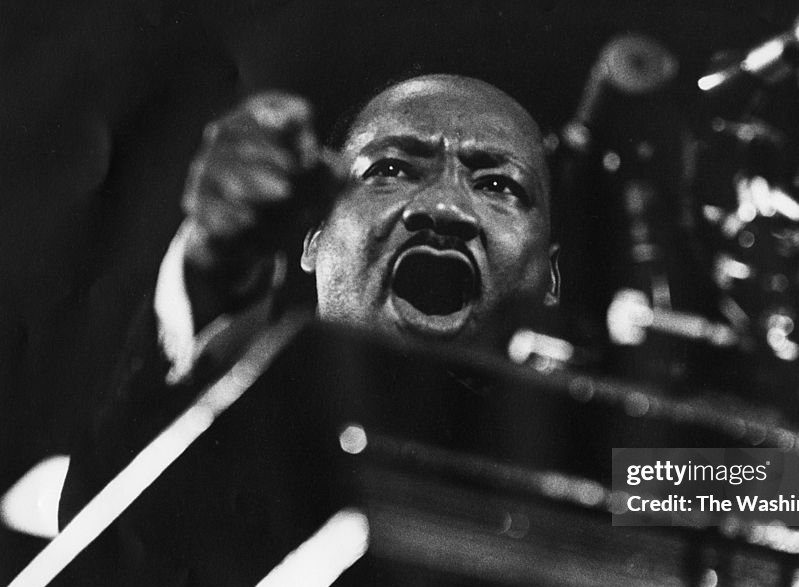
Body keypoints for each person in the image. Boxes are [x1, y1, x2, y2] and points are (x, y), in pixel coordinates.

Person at [58, 74, 562, 524]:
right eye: (391, 170)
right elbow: (107, 535)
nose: (445, 206)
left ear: (552, 276)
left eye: (498, 184)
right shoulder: (243, 447)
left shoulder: (619, 461)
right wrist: (216, 272)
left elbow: (645, 510)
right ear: (314, 237)